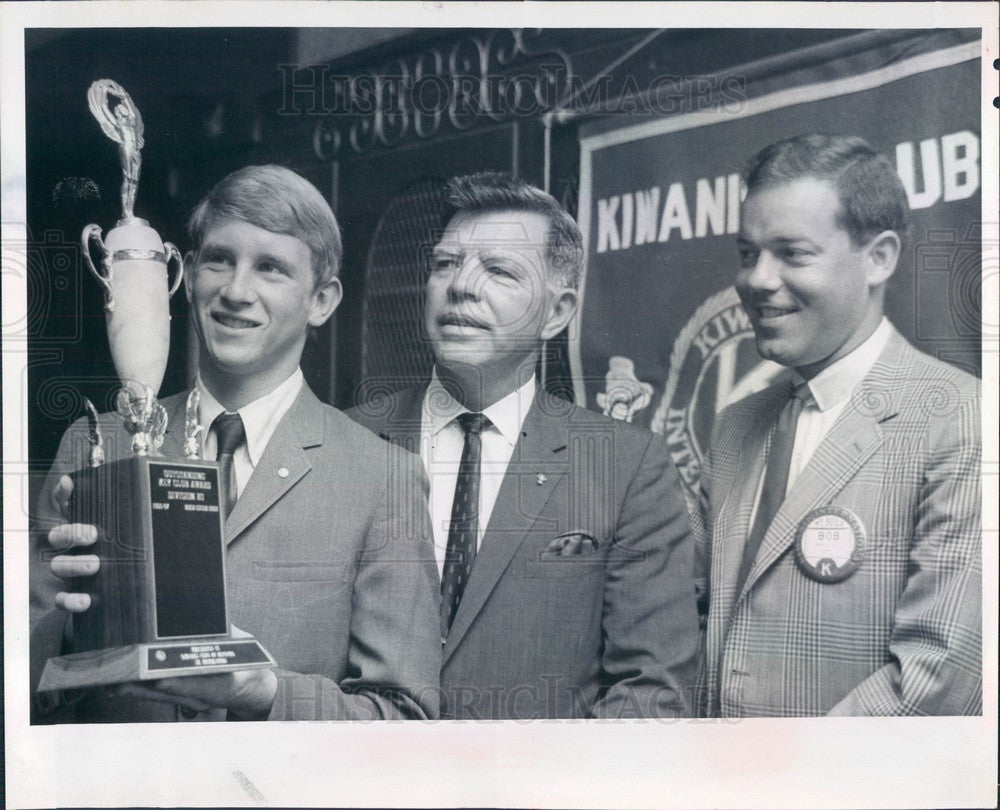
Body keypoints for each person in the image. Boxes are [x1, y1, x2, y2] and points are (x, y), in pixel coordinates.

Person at [30, 165, 441, 722]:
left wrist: (262, 693)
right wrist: (67, 633)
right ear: (188, 273)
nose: (235, 291)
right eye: (219, 259)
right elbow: (23, 688)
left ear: (322, 300)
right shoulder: (94, 444)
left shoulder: (381, 478)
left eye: (270, 268)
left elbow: (406, 722)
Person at [348, 172, 700, 719]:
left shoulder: (627, 467)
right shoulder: (347, 441)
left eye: (499, 271)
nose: (461, 285)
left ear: (557, 313)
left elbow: (651, 691)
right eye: (445, 263)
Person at [696, 135, 982, 717]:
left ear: (879, 258)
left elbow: (939, 676)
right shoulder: (736, 426)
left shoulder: (964, 419)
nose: (756, 280)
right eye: (747, 254)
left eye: (792, 254)